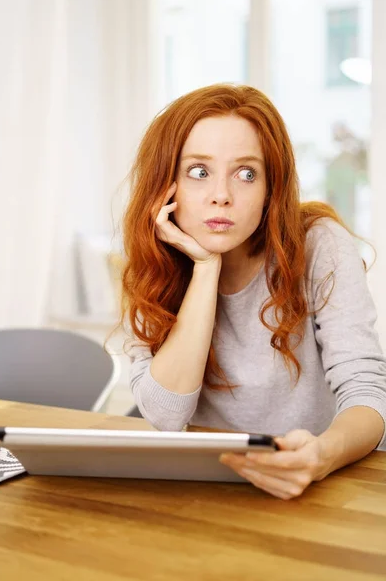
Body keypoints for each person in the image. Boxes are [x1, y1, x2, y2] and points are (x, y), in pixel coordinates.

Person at [119, 84, 386, 500]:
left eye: (246, 174)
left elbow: (367, 391)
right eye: (199, 172)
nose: (221, 196)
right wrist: (206, 268)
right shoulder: (153, 264)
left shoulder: (320, 245)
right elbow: (166, 416)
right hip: (217, 490)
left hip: (327, 484)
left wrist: (322, 455)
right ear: (166, 185)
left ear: (269, 191)